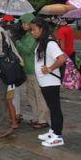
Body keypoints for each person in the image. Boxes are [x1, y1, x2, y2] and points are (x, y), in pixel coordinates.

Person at [30, 17, 66, 147]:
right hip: (45, 82)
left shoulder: (50, 43)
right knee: (52, 107)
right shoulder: (42, 42)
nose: (32, 32)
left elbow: (62, 58)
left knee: (55, 109)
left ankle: (58, 136)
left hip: (51, 82)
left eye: (34, 29)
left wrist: (50, 68)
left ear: (42, 29)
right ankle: (53, 131)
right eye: (31, 30)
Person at [16, 13, 50, 129]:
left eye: (25, 23)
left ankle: (43, 119)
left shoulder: (33, 36)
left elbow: (28, 50)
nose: (23, 25)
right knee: (31, 95)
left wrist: (17, 42)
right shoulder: (26, 35)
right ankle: (36, 117)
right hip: (28, 70)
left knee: (39, 95)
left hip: (36, 70)